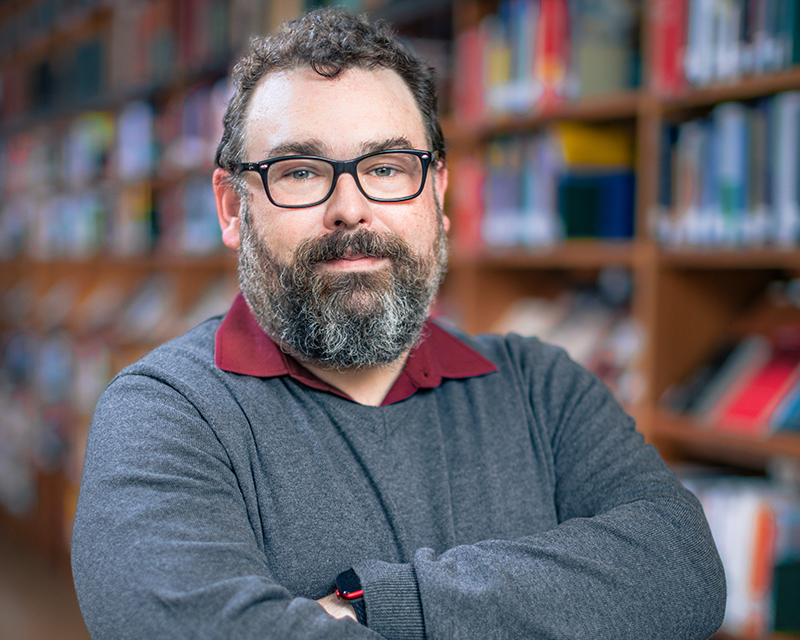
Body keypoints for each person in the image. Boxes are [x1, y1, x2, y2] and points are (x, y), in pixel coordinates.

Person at [71, 8, 726, 640]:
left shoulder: (542, 388)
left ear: (437, 193)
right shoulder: (164, 412)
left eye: (386, 168)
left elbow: (684, 573)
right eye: (300, 172)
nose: (350, 209)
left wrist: (377, 605)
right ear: (232, 207)